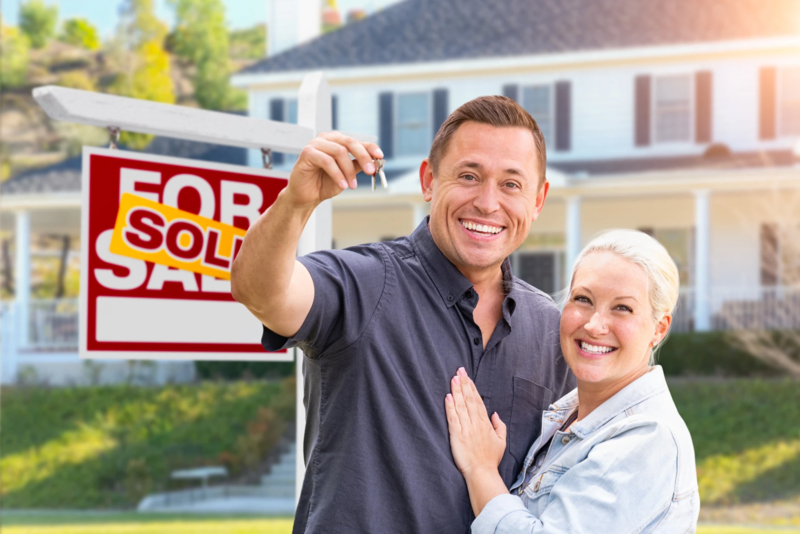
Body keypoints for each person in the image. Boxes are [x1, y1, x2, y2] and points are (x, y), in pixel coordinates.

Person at [231, 96, 575, 533]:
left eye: (511, 184)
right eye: (469, 176)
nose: (488, 203)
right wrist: (295, 204)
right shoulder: (363, 284)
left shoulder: (552, 330)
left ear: (538, 200)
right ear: (429, 181)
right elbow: (259, 290)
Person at [445, 229, 700, 533]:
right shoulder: (565, 418)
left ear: (659, 329)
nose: (594, 325)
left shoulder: (648, 439)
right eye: (583, 299)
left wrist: (481, 470)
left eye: (622, 308)